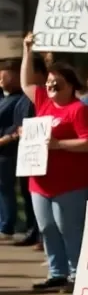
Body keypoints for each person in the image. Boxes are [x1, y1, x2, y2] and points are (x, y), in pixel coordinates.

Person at [19, 35, 88, 291]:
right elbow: (27, 81)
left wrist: (58, 145)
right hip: (40, 182)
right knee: (47, 227)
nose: (51, 85)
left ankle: (77, 274)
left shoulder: (78, 110)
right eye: (50, 81)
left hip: (70, 183)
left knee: (69, 228)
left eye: (57, 82)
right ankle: (57, 272)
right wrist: (28, 50)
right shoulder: (43, 102)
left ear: (70, 84)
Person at [0, 59, 33, 241]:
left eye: (4, 74)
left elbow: (18, 125)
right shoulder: (2, 97)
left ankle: (7, 225)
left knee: (5, 188)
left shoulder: (21, 98)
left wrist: (7, 138)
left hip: (9, 150)